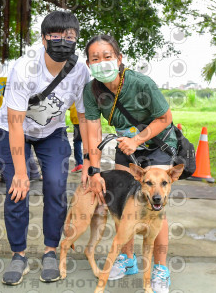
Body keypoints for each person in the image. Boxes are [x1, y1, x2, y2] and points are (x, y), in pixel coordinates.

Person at [0, 10, 90, 286]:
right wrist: (22, 173)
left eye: (69, 36)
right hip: (13, 131)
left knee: (56, 186)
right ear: (44, 38)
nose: (63, 41)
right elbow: (15, 124)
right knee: (17, 190)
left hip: (52, 132)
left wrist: (90, 162)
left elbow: (84, 119)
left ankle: (50, 251)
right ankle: (19, 255)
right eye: (56, 36)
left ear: (76, 40)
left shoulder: (79, 70)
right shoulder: (25, 67)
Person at [82, 34, 178, 293]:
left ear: (119, 58)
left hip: (156, 146)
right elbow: (93, 132)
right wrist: (93, 170)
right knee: (124, 204)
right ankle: (127, 260)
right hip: (127, 149)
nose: (102, 62)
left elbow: (165, 118)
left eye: (107, 56)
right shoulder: (92, 91)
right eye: (95, 58)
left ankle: (160, 269)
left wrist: (137, 140)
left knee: (156, 206)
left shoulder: (141, 83)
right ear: (89, 64)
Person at [0, 70, 41, 181]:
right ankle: (34, 173)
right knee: (23, 145)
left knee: (2, 150)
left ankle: (5, 177)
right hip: (18, 117)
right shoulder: (7, 80)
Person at [69, 103, 83, 172]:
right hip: (90, 119)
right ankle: (91, 164)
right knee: (89, 141)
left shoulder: (75, 92)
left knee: (77, 142)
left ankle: (79, 164)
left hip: (78, 120)